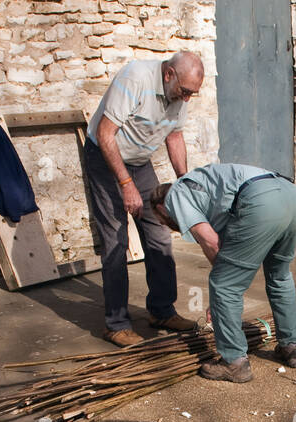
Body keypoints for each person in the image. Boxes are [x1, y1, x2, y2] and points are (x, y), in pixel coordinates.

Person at [85, 51, 204, 347]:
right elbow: (105, 133)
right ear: (168, 75)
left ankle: (161, 311)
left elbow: (174, 137)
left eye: (193, 94)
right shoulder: (135, 78)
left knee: (159, 234)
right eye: (185, 91)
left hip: (139, 161)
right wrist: (125, 184)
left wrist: (185, 182)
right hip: (104, 157)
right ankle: (116, 324)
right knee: (116, 239)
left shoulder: (179, 96)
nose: (187, 98)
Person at [149, 165, 296, 382]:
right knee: (279, 275)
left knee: (224, 285)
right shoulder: (202, 186)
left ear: (160, 207)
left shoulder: (175, 195)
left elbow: (211, 242)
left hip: (261, 202)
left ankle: (234, 363)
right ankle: (292, 347)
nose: (167, 225)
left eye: (162, 220)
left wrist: (223, 295)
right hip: (293, 196)